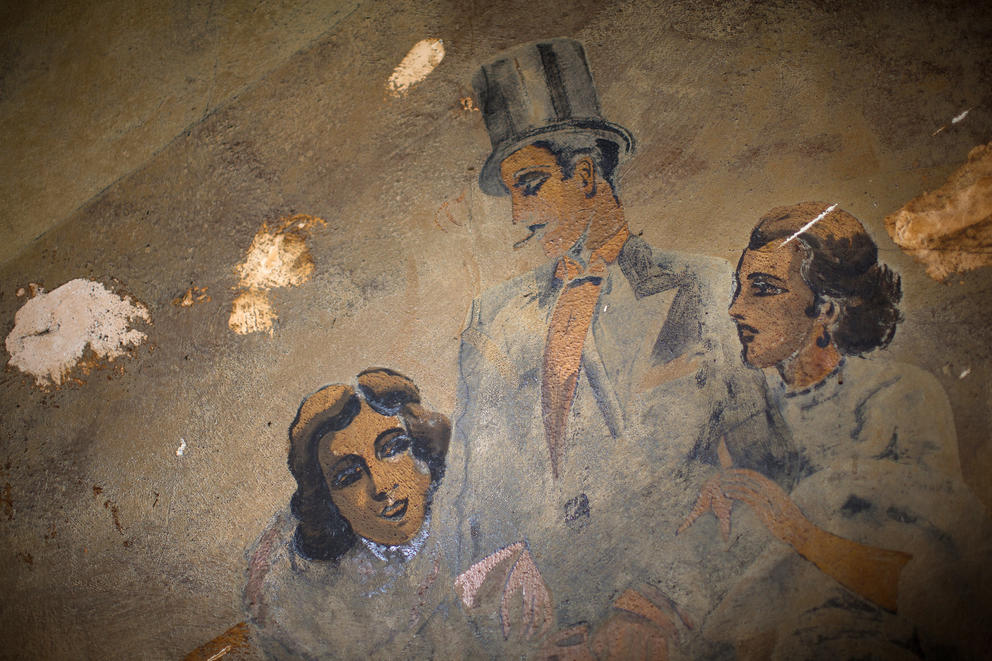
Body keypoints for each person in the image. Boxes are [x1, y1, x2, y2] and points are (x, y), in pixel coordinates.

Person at [433, 38, 796, 658]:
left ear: (585, 172)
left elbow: (773, 478)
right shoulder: (492, 320)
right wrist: (513, 636)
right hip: (540, 628)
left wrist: (664, 610)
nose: (519, 215)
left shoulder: (707, 288)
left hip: (675, 619)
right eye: (512, 195)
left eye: (531, 185)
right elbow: (472, 501)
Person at [682, 202, 990, 658]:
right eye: (738, 289)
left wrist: (793, 527)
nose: (734, 309)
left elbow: (937, 593)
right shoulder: (737, 417)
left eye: (762, 290)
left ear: (824, 308)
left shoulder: (897, 398)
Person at [243, 368, 471, 659]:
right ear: (330, 502)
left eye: (392, 448)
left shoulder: (470, 518)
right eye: (349, 476)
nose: (381, 485)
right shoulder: (310, 607)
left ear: (421, 446)